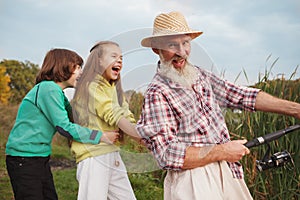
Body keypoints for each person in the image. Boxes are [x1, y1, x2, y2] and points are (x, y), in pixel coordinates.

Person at [136, 11, 300, 200]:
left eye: (185, 43)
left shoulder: (201, 75)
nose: (181, 52)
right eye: (172, 44)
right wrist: (223, 151)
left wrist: (295, 109)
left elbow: (239, 95)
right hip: (193, 181)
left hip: (228, 171)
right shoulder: (157, 92)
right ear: (156, 49)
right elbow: (167, 154)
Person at [5, 48, 119, 200]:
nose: (81, 72)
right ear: (62, 66)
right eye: (77, 67)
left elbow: (74, 118)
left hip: (39, 158)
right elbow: (64, 127)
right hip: (23, 159)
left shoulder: (58, 93)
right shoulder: (48, 89)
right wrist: (101, 136)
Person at [71, 41, 140, 200]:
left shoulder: (113, 88)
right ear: (99, 60)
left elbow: (125, 113)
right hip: (94, 155)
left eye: (122, 57)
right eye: (114, 56)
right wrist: (139, 136)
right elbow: (112, 113)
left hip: (111, 153)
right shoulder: (91, 86)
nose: (120, 60)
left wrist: (143, 135)